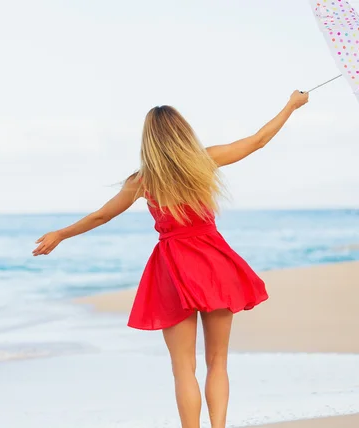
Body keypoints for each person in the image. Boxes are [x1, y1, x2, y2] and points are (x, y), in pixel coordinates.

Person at [32, 90, 309, 428]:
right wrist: (291, 106)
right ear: (183, 132)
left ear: (149, 140)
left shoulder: (143, 179)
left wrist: (60, 234)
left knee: (183, 368)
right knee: (218, 361)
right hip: (213, 262)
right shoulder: (204, 161)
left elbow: (101, 217)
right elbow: (259, 141)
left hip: (172, 268)